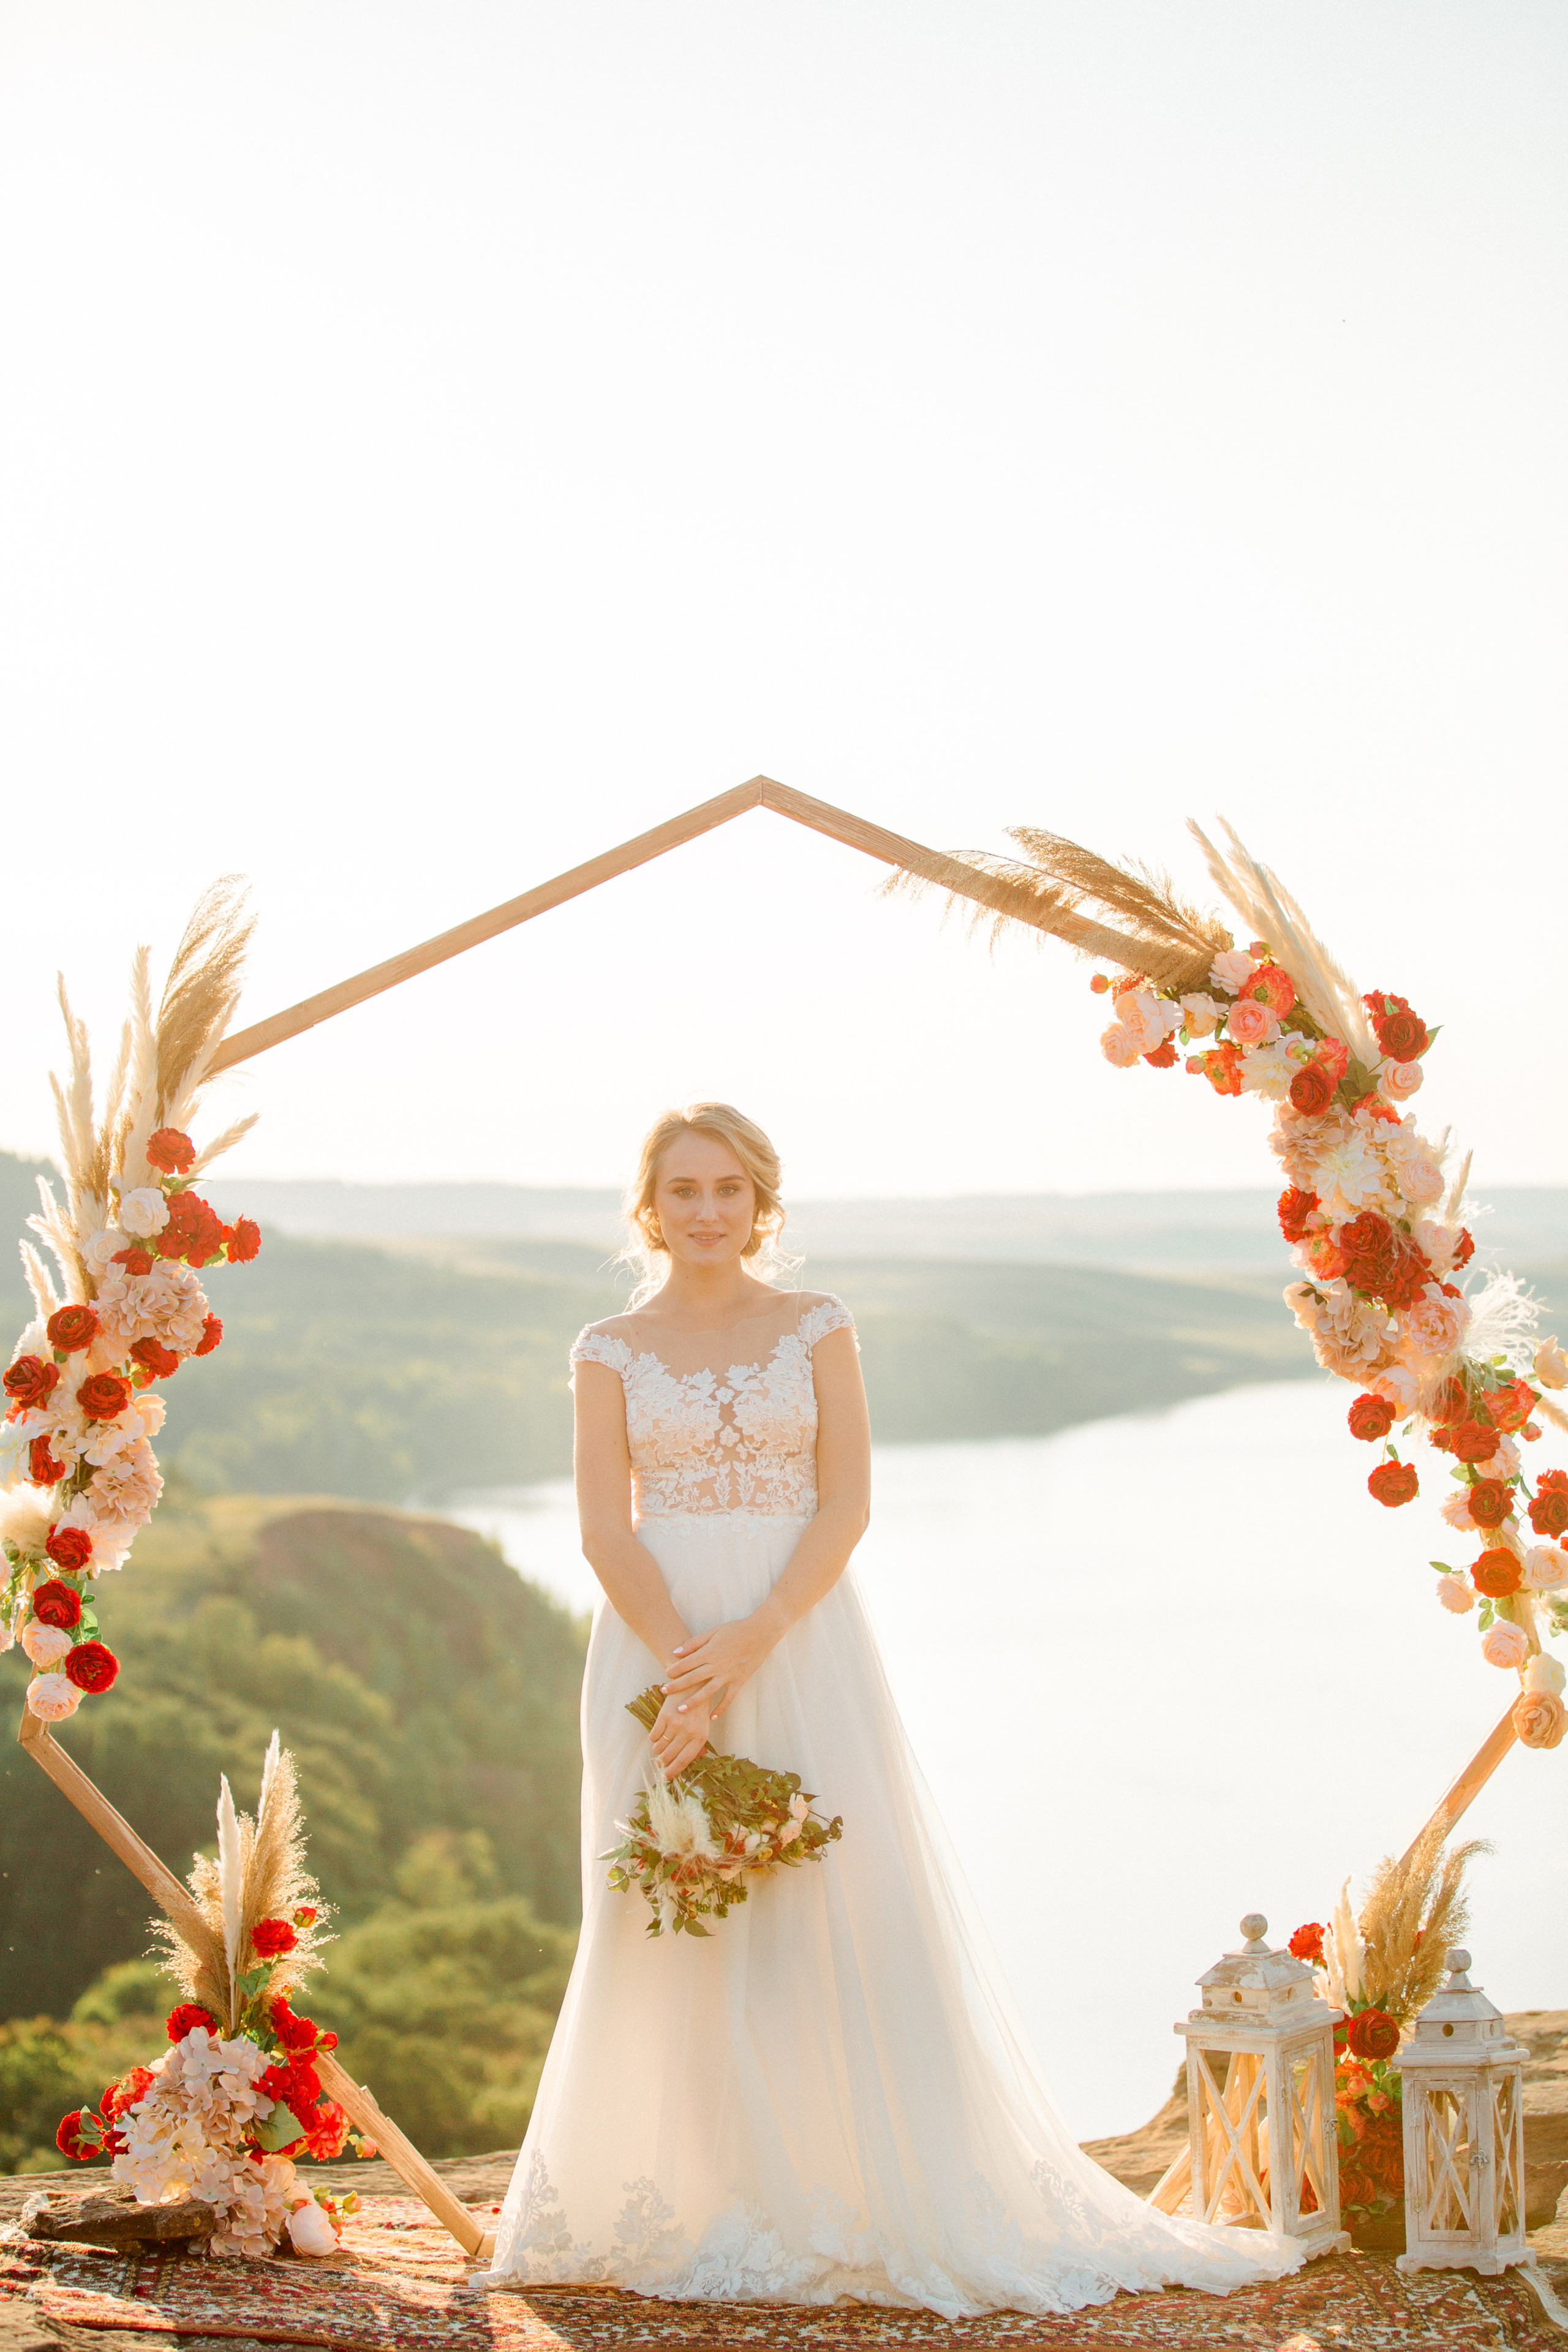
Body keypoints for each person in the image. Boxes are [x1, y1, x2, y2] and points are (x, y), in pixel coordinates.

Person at [481, 1104, 1303, 2316]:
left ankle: (850, 2191)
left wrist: (755, 1639)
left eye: (725, 1189)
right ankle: (695, 2197)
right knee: (675, 1907)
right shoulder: (606, 1345)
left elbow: (844, 1503)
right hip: (654, 1647)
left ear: (761, 1202)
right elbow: (607, 1527)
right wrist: (684, 1676)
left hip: (802, 1636)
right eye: (681, 1190)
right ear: (646, 1207)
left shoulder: (814, 1325)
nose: (704, 1211)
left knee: (832, 1901)